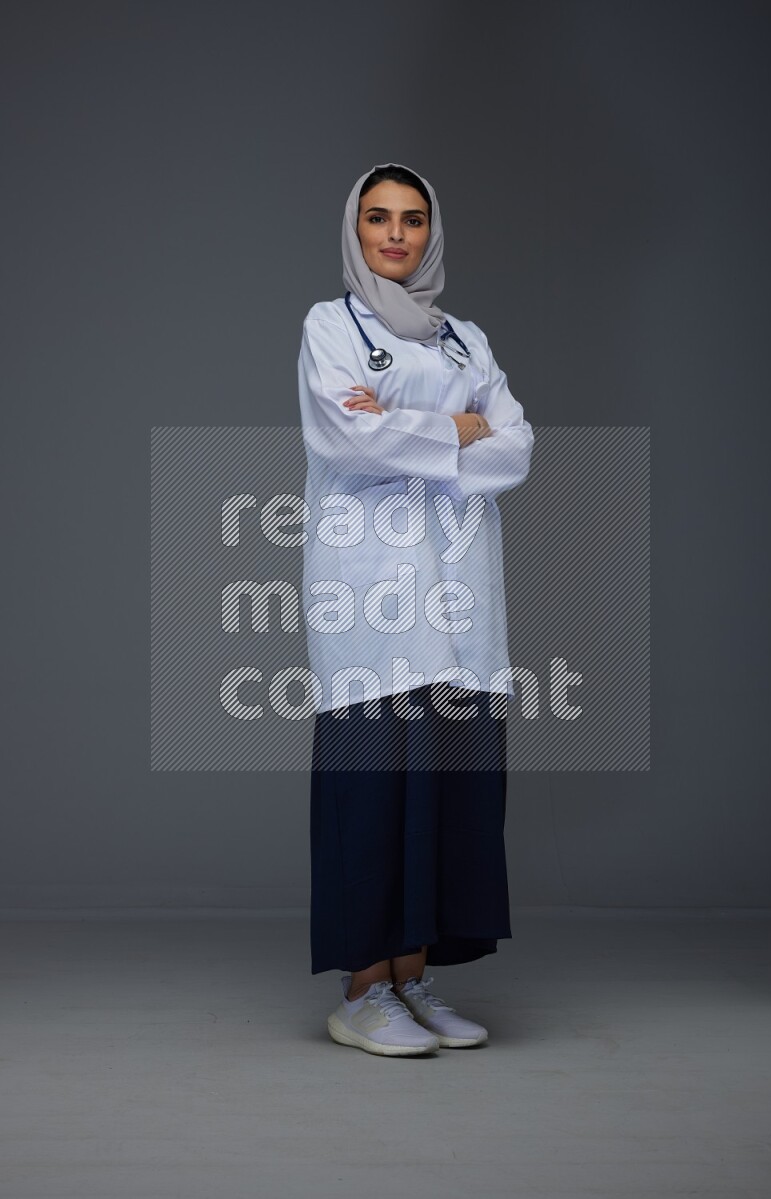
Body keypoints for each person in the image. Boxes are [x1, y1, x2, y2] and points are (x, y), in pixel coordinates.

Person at [297, 162, 534, 1056]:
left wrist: (411, 426)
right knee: (372, 785)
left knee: (445, 784)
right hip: (369, 589)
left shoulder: (466, 339)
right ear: (354, 231)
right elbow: (345, 435)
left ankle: (413, 978)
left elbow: (518, 446)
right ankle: (361, 992)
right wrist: (460, 428)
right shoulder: (331, 327)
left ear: (431, 233)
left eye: (411, 219)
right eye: (376, 218)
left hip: (460, 589)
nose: (395, 234)